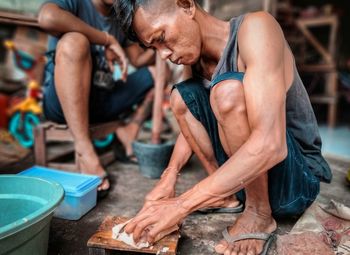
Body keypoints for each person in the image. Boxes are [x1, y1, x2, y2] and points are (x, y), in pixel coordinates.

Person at [113, 0, 332, 254]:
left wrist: (181, 205)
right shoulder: (194, 59)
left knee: (227, 92)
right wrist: (169, 176)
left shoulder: (257, 29)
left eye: (161, 38)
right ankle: (226, 196)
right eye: (153, 47)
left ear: (186, 5)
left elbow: (271, 145)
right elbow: (192, 118)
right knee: (182, 96)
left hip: (296, 182)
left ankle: (259, 211)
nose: (163, 54)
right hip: (244, 178)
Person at [38, 0, 167, 193]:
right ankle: (84, 147)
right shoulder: (76, 3)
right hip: (62, 104)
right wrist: (105, 39)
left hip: (102, 100)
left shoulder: (119, 16)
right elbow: (47, 18)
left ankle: (130, 129)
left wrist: (158, 38)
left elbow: (138, 60)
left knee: (155, 73)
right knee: (74, 41)